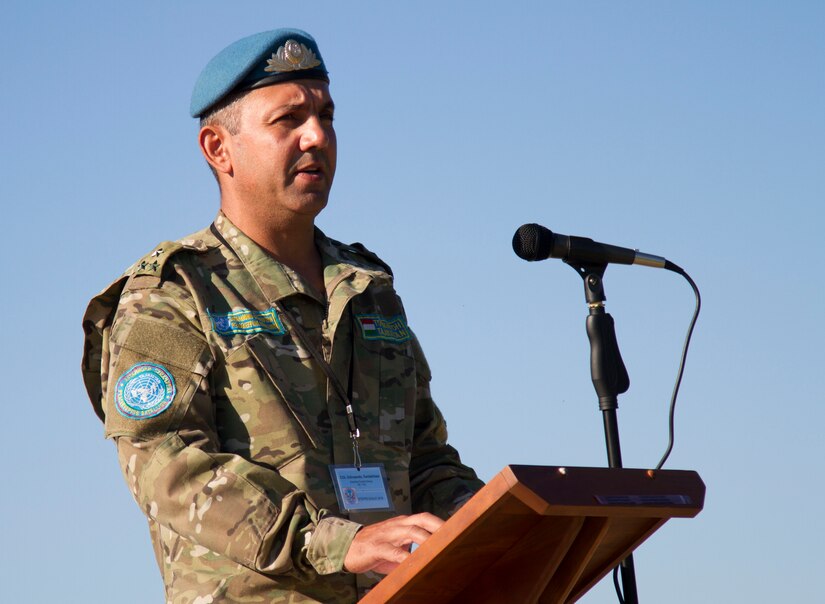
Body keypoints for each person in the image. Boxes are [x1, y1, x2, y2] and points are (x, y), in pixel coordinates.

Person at [81, 28, 483, 604]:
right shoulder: (175, 294)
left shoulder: (368, 290)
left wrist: (493, 521)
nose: (317, 136)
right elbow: (165, 464)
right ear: (219, 149)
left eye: (326, 114)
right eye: (288, 120)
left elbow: (423, 456)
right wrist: (334, 544)